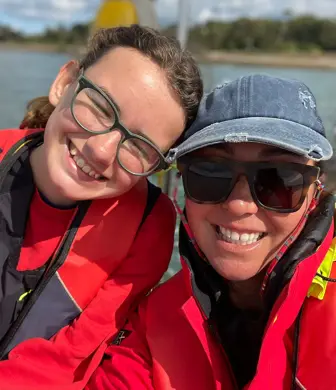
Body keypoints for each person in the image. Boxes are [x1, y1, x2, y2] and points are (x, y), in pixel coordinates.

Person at [85, 74, 336, 390]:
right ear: (182, 188)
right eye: (210, 174)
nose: (239, 206)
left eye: (279, 180)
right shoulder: (153, 322)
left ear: (316, 191)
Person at [0, 25, 202, 388]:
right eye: (99, 107)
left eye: (139, 147)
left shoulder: (146, 229)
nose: (101, 150)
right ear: (65, 82)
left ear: (156, 168)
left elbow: (68, 359)